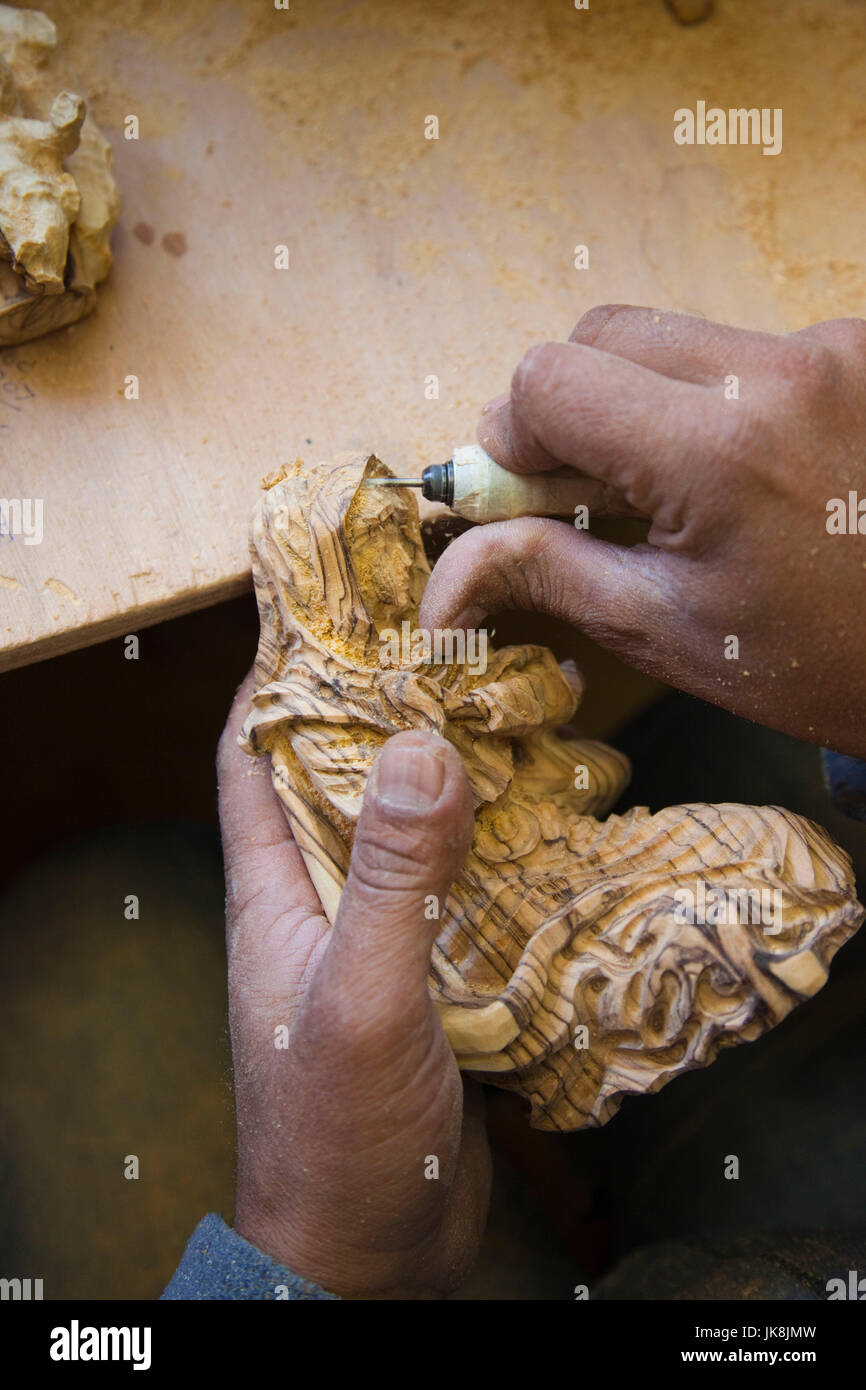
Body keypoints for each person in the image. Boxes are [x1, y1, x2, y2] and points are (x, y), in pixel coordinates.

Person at [163, 307, 866, 1300]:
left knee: (106, 909)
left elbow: (539, 697)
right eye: (378, 549)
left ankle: (622, 1121)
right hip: (493, 910)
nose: (407, 562)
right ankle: (586, 1036)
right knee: (769, 840)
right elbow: (418, 793)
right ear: (322, 575)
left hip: (552, 858)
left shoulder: (386, 664)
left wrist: (314, 1258)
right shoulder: (315, 702)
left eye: (398, 544)